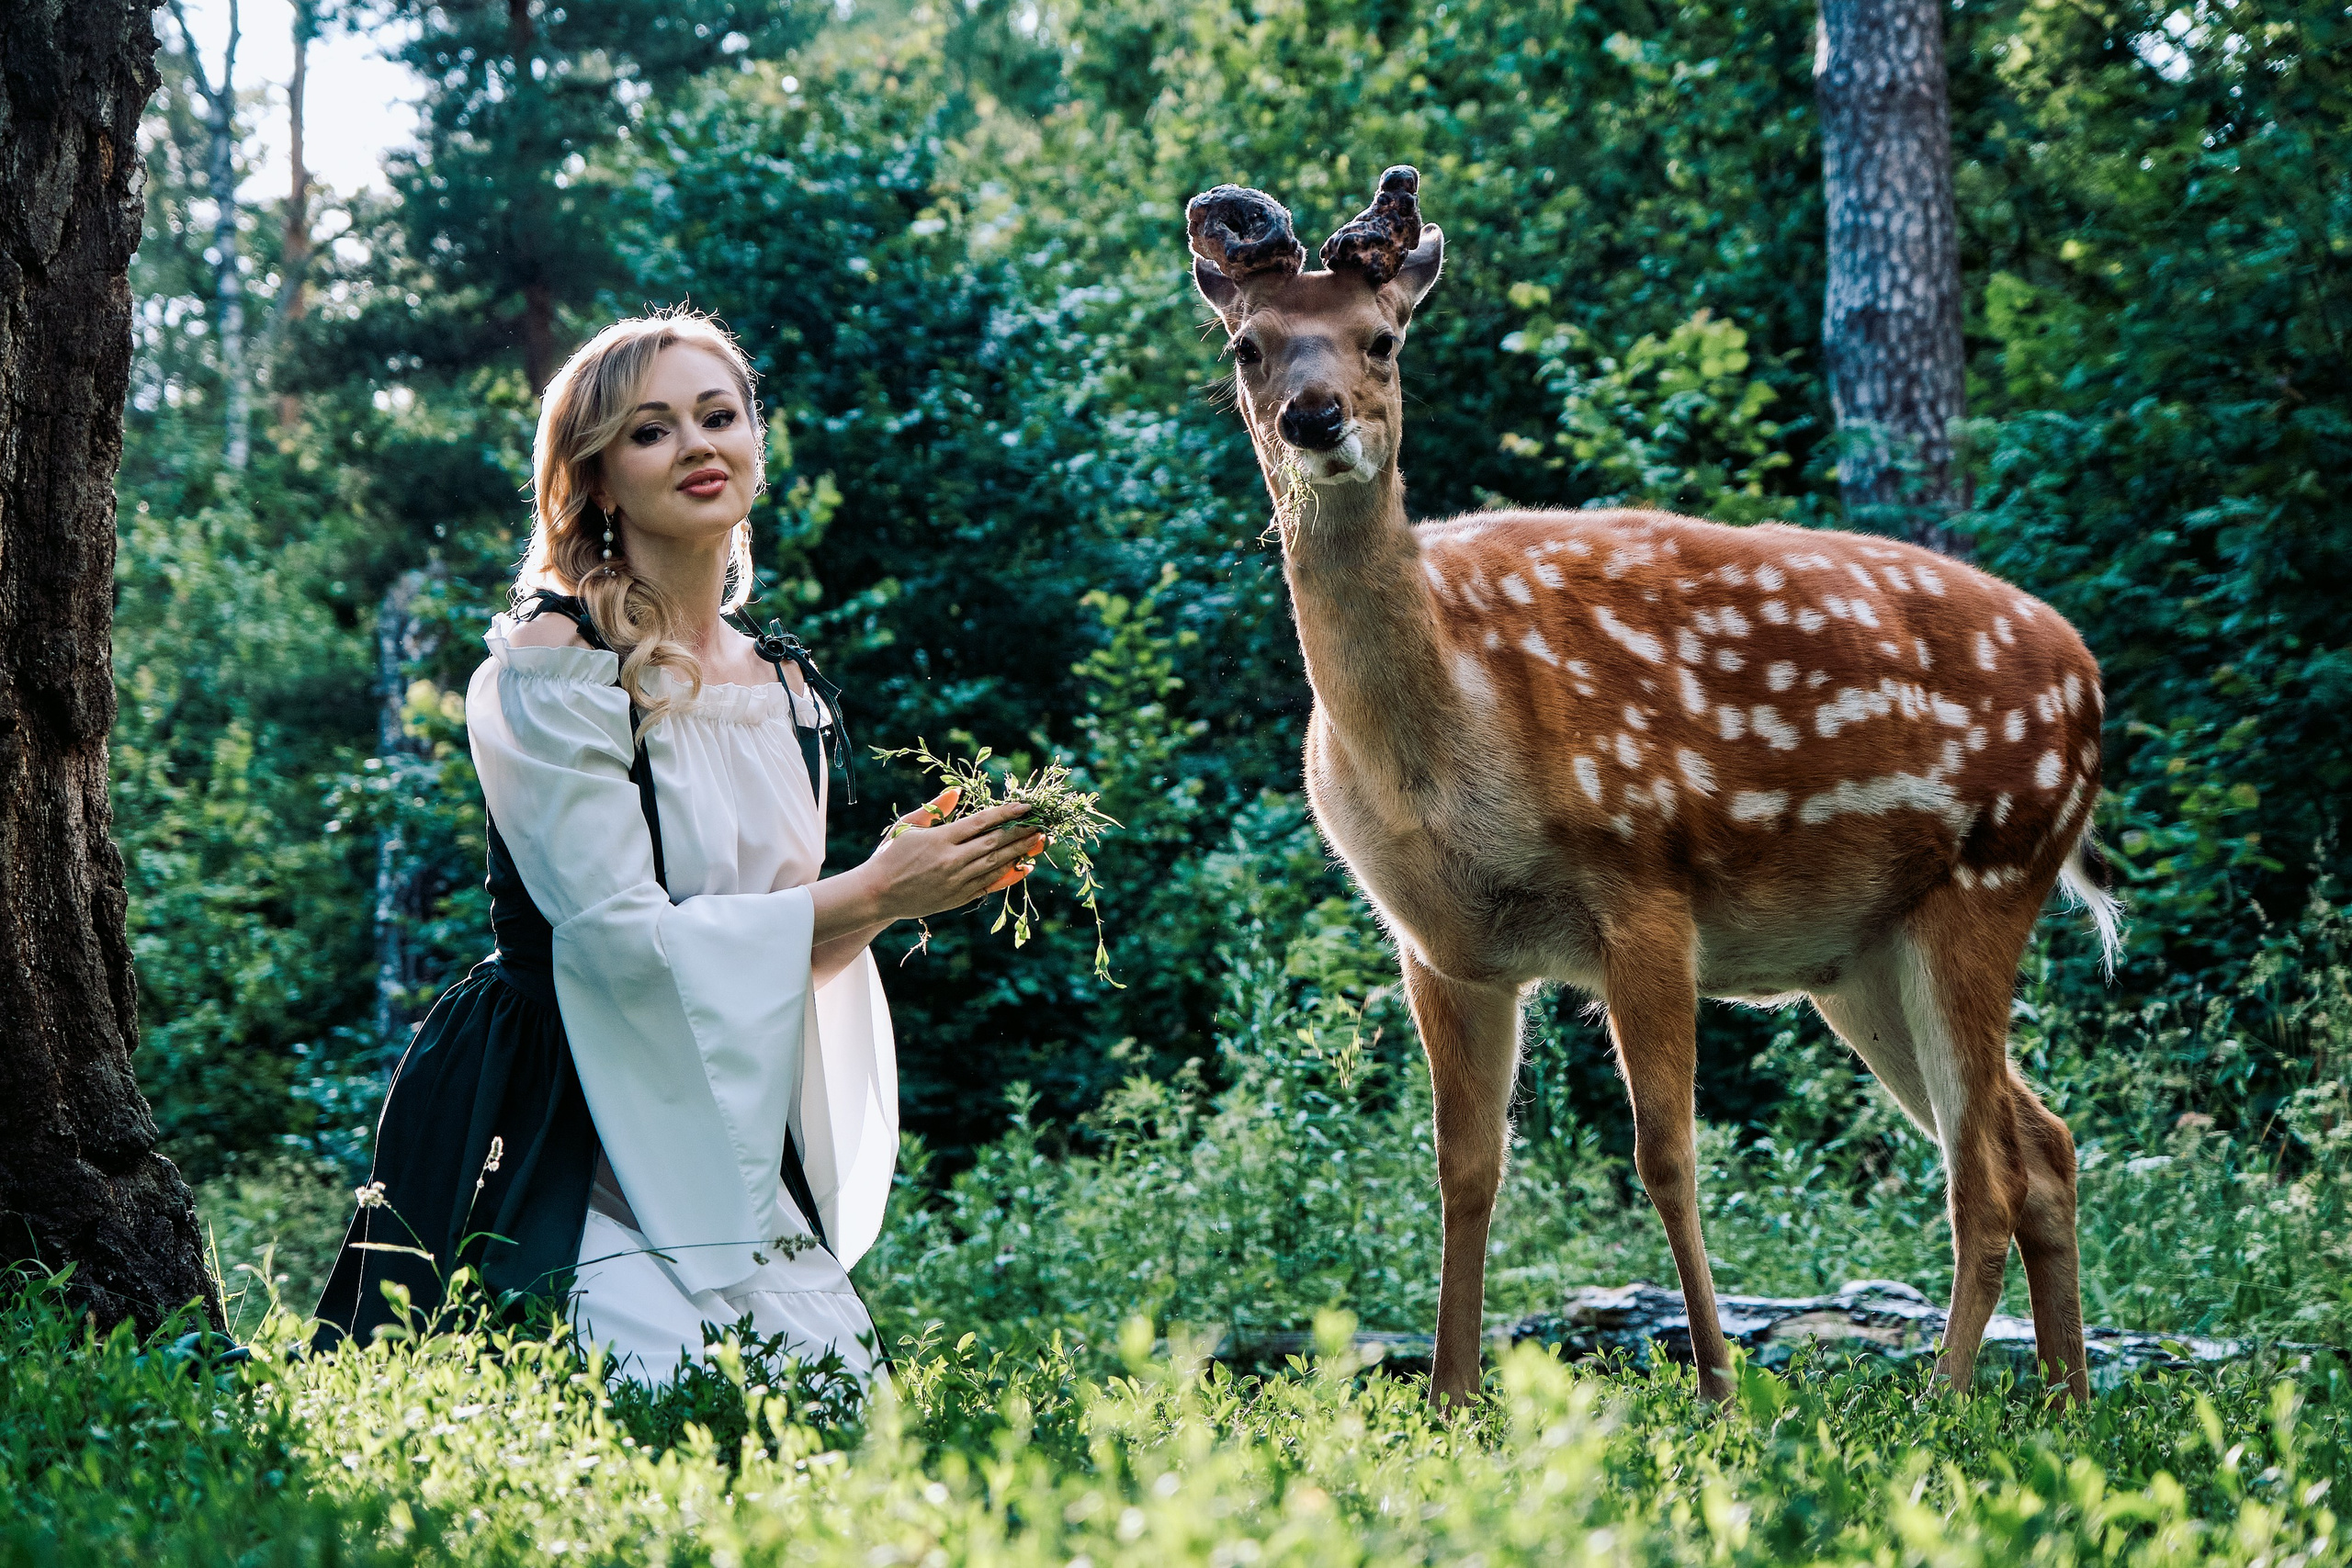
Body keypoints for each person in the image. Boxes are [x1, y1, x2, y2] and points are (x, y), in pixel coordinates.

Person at [314, 310, 1041, 1381]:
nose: (699, 445)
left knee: (835, 1402)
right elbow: (614, 941)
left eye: (719, 416)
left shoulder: (781, 679)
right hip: (561, 1092)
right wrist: (878, 892)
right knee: (647, 1392)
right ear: (598, 478)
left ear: (756, 443)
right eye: (652, 431)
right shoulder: (555, 660)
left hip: (719, 1091)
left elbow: (781, 944)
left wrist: (894, 889)